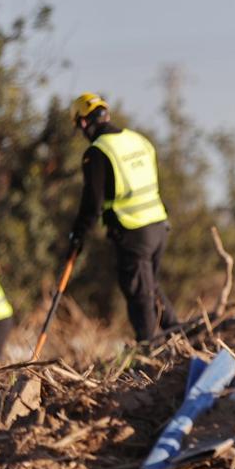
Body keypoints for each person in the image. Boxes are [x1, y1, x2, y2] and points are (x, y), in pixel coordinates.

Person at [67, 92, 180, 342]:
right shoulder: (139, 140)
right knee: (149, 287)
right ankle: (181, 336)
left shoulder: (97, 152)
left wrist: (78, 235)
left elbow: (92, 204)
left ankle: (151, 350)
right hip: (159, 226)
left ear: (83, 123)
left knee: (140, 295)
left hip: (133, 230)